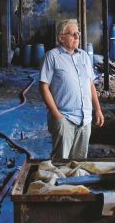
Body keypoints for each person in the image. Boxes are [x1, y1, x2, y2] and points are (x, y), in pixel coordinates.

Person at [39, 19, 105, 161]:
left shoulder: (84, 56)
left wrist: (97, 109)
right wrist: (57, 115)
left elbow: (90, 84)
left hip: (85, 120)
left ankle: (74, 184)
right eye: (72, 34)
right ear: (61, 38)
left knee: (79, 163)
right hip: (65, 118)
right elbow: (44, 87)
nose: (77, 37)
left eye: (78, 33)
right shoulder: (52, 56)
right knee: (61, 163)